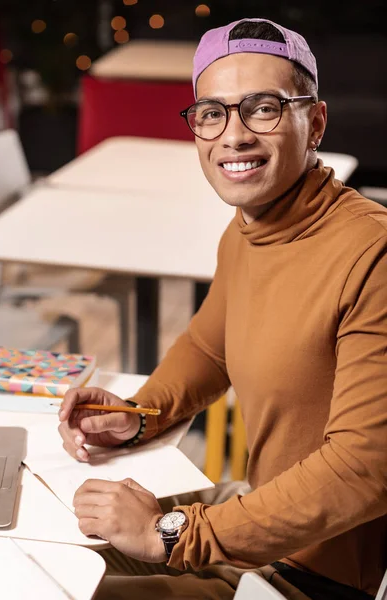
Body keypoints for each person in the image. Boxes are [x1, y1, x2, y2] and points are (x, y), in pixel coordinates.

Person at [58, 17, 387, 600]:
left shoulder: (372, 252)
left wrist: (172, 534)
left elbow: (364, 470)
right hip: (253, 513)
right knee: (50, 544)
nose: (234, 135)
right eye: (212, 113)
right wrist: (141, 413)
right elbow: (211, 346)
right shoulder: (247, 229)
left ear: (316, 122)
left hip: (310, 577)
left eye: (264, 107)